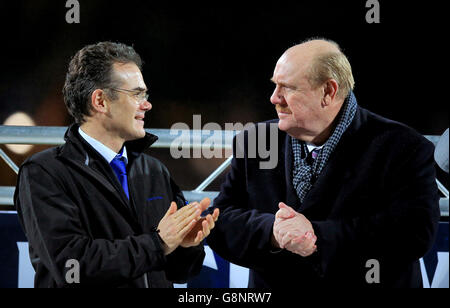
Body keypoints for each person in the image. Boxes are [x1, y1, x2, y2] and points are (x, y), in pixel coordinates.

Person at [206, 38, 440, 288]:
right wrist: (273, 233)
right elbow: (221, 221)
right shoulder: (255, 140)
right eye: (275, 86)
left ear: (328, 91)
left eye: (287, 88)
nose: (274, 98)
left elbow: (413, 233)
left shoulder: (403, 147)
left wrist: (316, 236)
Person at [14, 41, 219, 288]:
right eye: (136, 94)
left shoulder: (153, 171)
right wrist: (158, 243)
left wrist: (185, 245)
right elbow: (72, 266)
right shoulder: (44, 173)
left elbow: (178, 273)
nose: (147, 104)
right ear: (100, 101)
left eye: (146, 94)